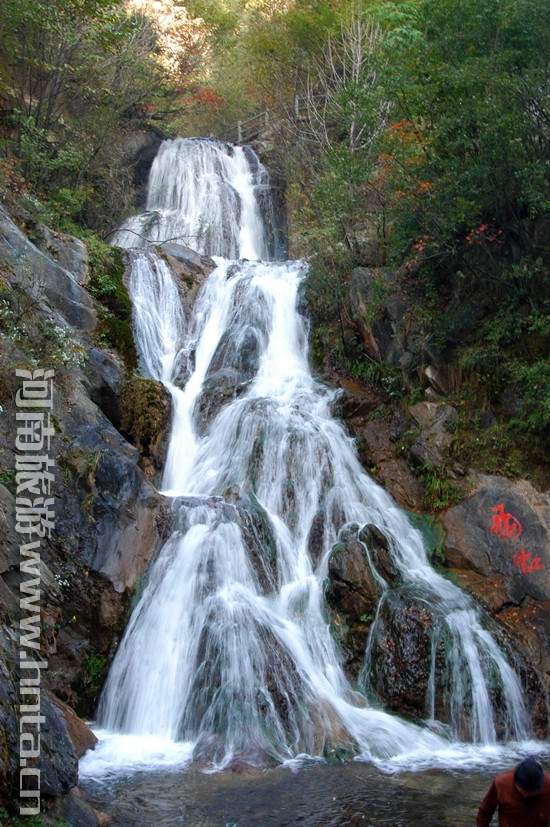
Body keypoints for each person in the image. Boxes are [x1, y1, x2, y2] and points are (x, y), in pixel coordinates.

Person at [476, 757, 550, 827]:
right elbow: (484, 812)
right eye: (523, 792)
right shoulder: (502, 783)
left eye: (531, 793)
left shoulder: (548, 787)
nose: (525, 796)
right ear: (515, 783)